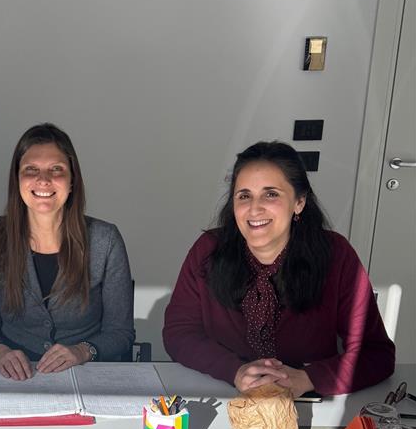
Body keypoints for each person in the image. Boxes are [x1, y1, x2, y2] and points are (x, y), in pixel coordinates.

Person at [163, 141, 395, 397]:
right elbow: (179, 333)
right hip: (225, 394)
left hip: (306, 399)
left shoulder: (336, 254)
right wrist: (234, 371)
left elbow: (377, 353)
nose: (254, 208)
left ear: (299, 202)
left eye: (271, 194)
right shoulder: (208, 249)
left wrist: (308, 378)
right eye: (244, 196)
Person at [0, 123, 135, 379]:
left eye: (56, 169)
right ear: (17, 180)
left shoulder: (105, 240)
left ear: (72, 180)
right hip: (15, 378)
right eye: (31, 169)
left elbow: (120, 333)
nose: (43, 180)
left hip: (84, 375)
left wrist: (82, 351)